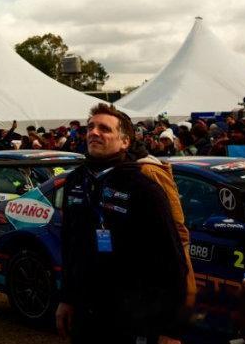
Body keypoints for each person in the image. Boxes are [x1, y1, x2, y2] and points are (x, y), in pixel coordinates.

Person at [57, 104, 191, 344]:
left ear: (125, 142)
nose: (94, 132)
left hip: (132, 317)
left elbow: (171, 259)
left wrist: (171, 329)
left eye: (104, 128)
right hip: (86, 313)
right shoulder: (75, 181)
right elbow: (69, 244)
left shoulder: (143, 186)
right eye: (90, 127)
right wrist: (66, 298)